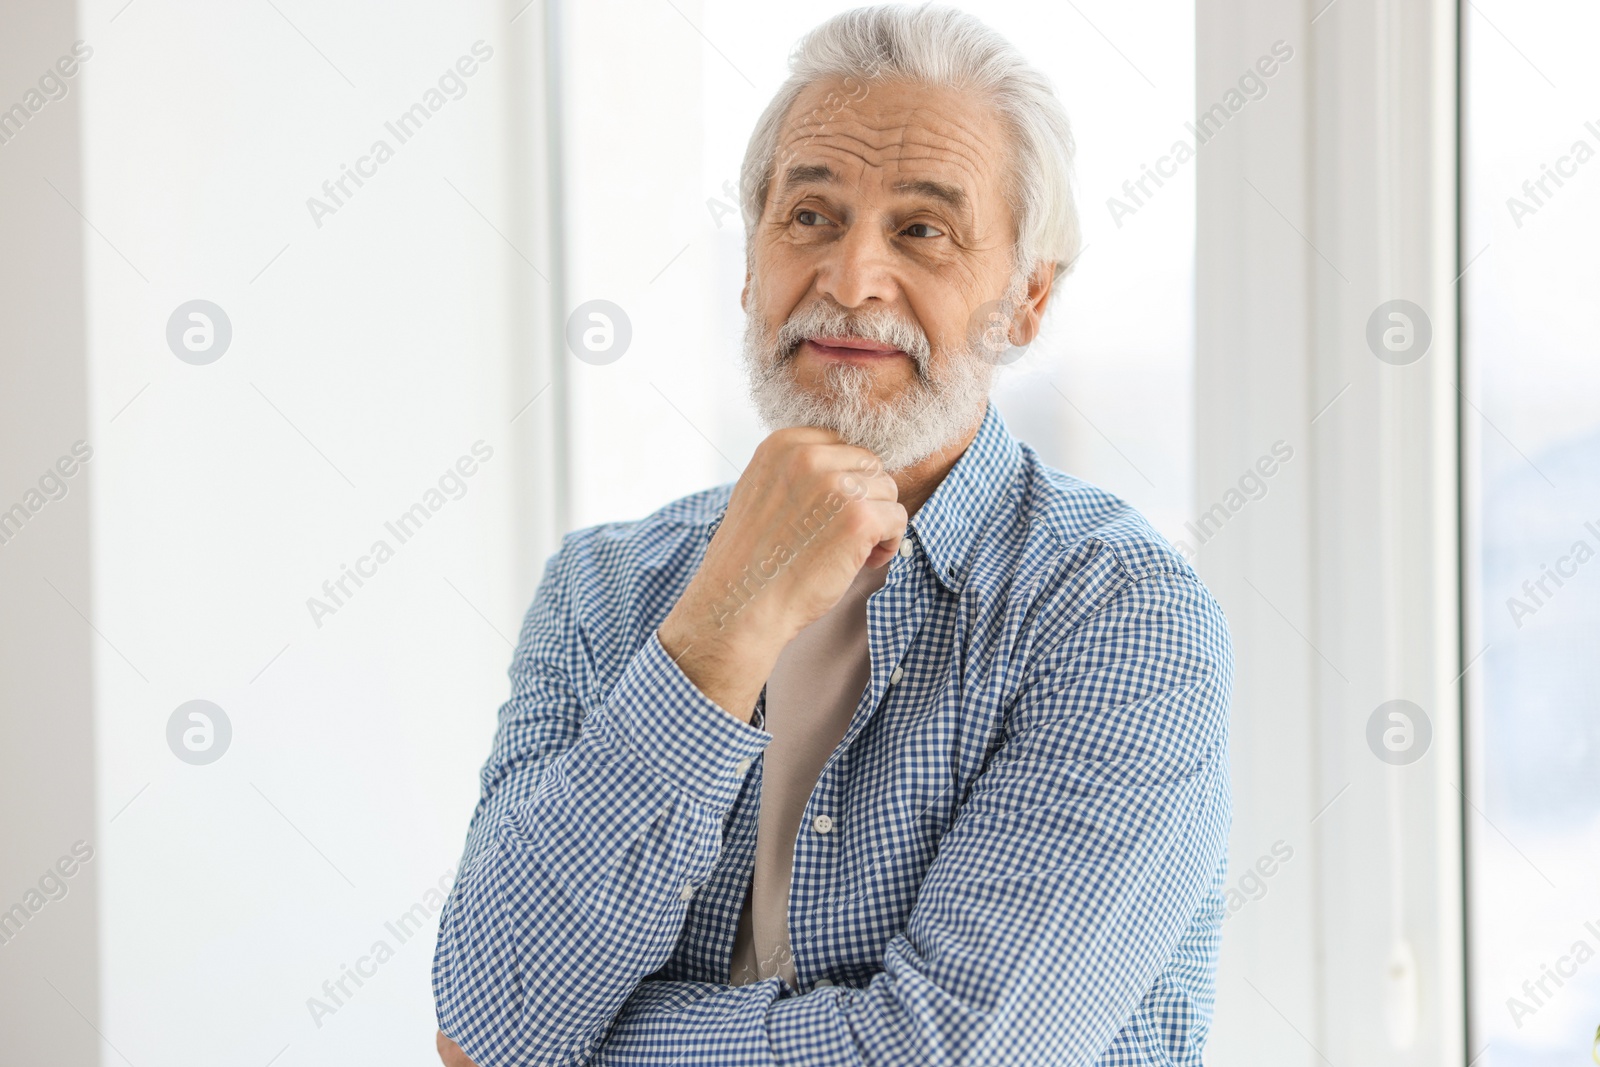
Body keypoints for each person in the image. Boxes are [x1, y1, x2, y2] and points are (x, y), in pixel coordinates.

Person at [433, 4, 1232, 1063]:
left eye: (922, 229)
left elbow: (941, 1055)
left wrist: (595, 1041)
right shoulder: (602, 588)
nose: (849, 280)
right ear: (749, 263)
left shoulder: (1117, 615)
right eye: (808, 215)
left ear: (1027, 300)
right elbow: (484, 1026)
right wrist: (721, 626)